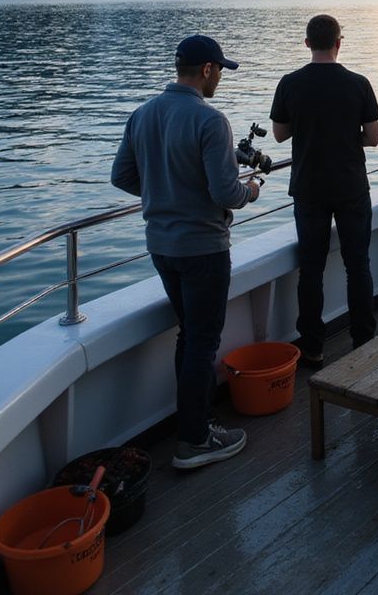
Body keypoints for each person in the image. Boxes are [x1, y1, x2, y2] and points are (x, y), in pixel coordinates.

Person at [111, 34, 261, 470]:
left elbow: (122, 176)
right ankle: (194, 440)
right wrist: (250, 190)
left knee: (189, 334)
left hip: (161, 246)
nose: (219, 81)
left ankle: (194, 423)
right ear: (208, 70)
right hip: (203, 248)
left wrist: (164, 191)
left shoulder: (142, 114)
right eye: (219, 72)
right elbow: (225, 192)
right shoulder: (210, 120)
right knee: (201, 341)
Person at [270, 14, 378, 367]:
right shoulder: (359, 83)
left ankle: (313, 347)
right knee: (358, 265)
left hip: (308, 188)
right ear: (339, 42)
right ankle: (363, 341)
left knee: (311, 269)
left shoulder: (290, 82)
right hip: (350, 185)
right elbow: (374, 138)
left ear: (307, 43)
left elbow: (279, 134)